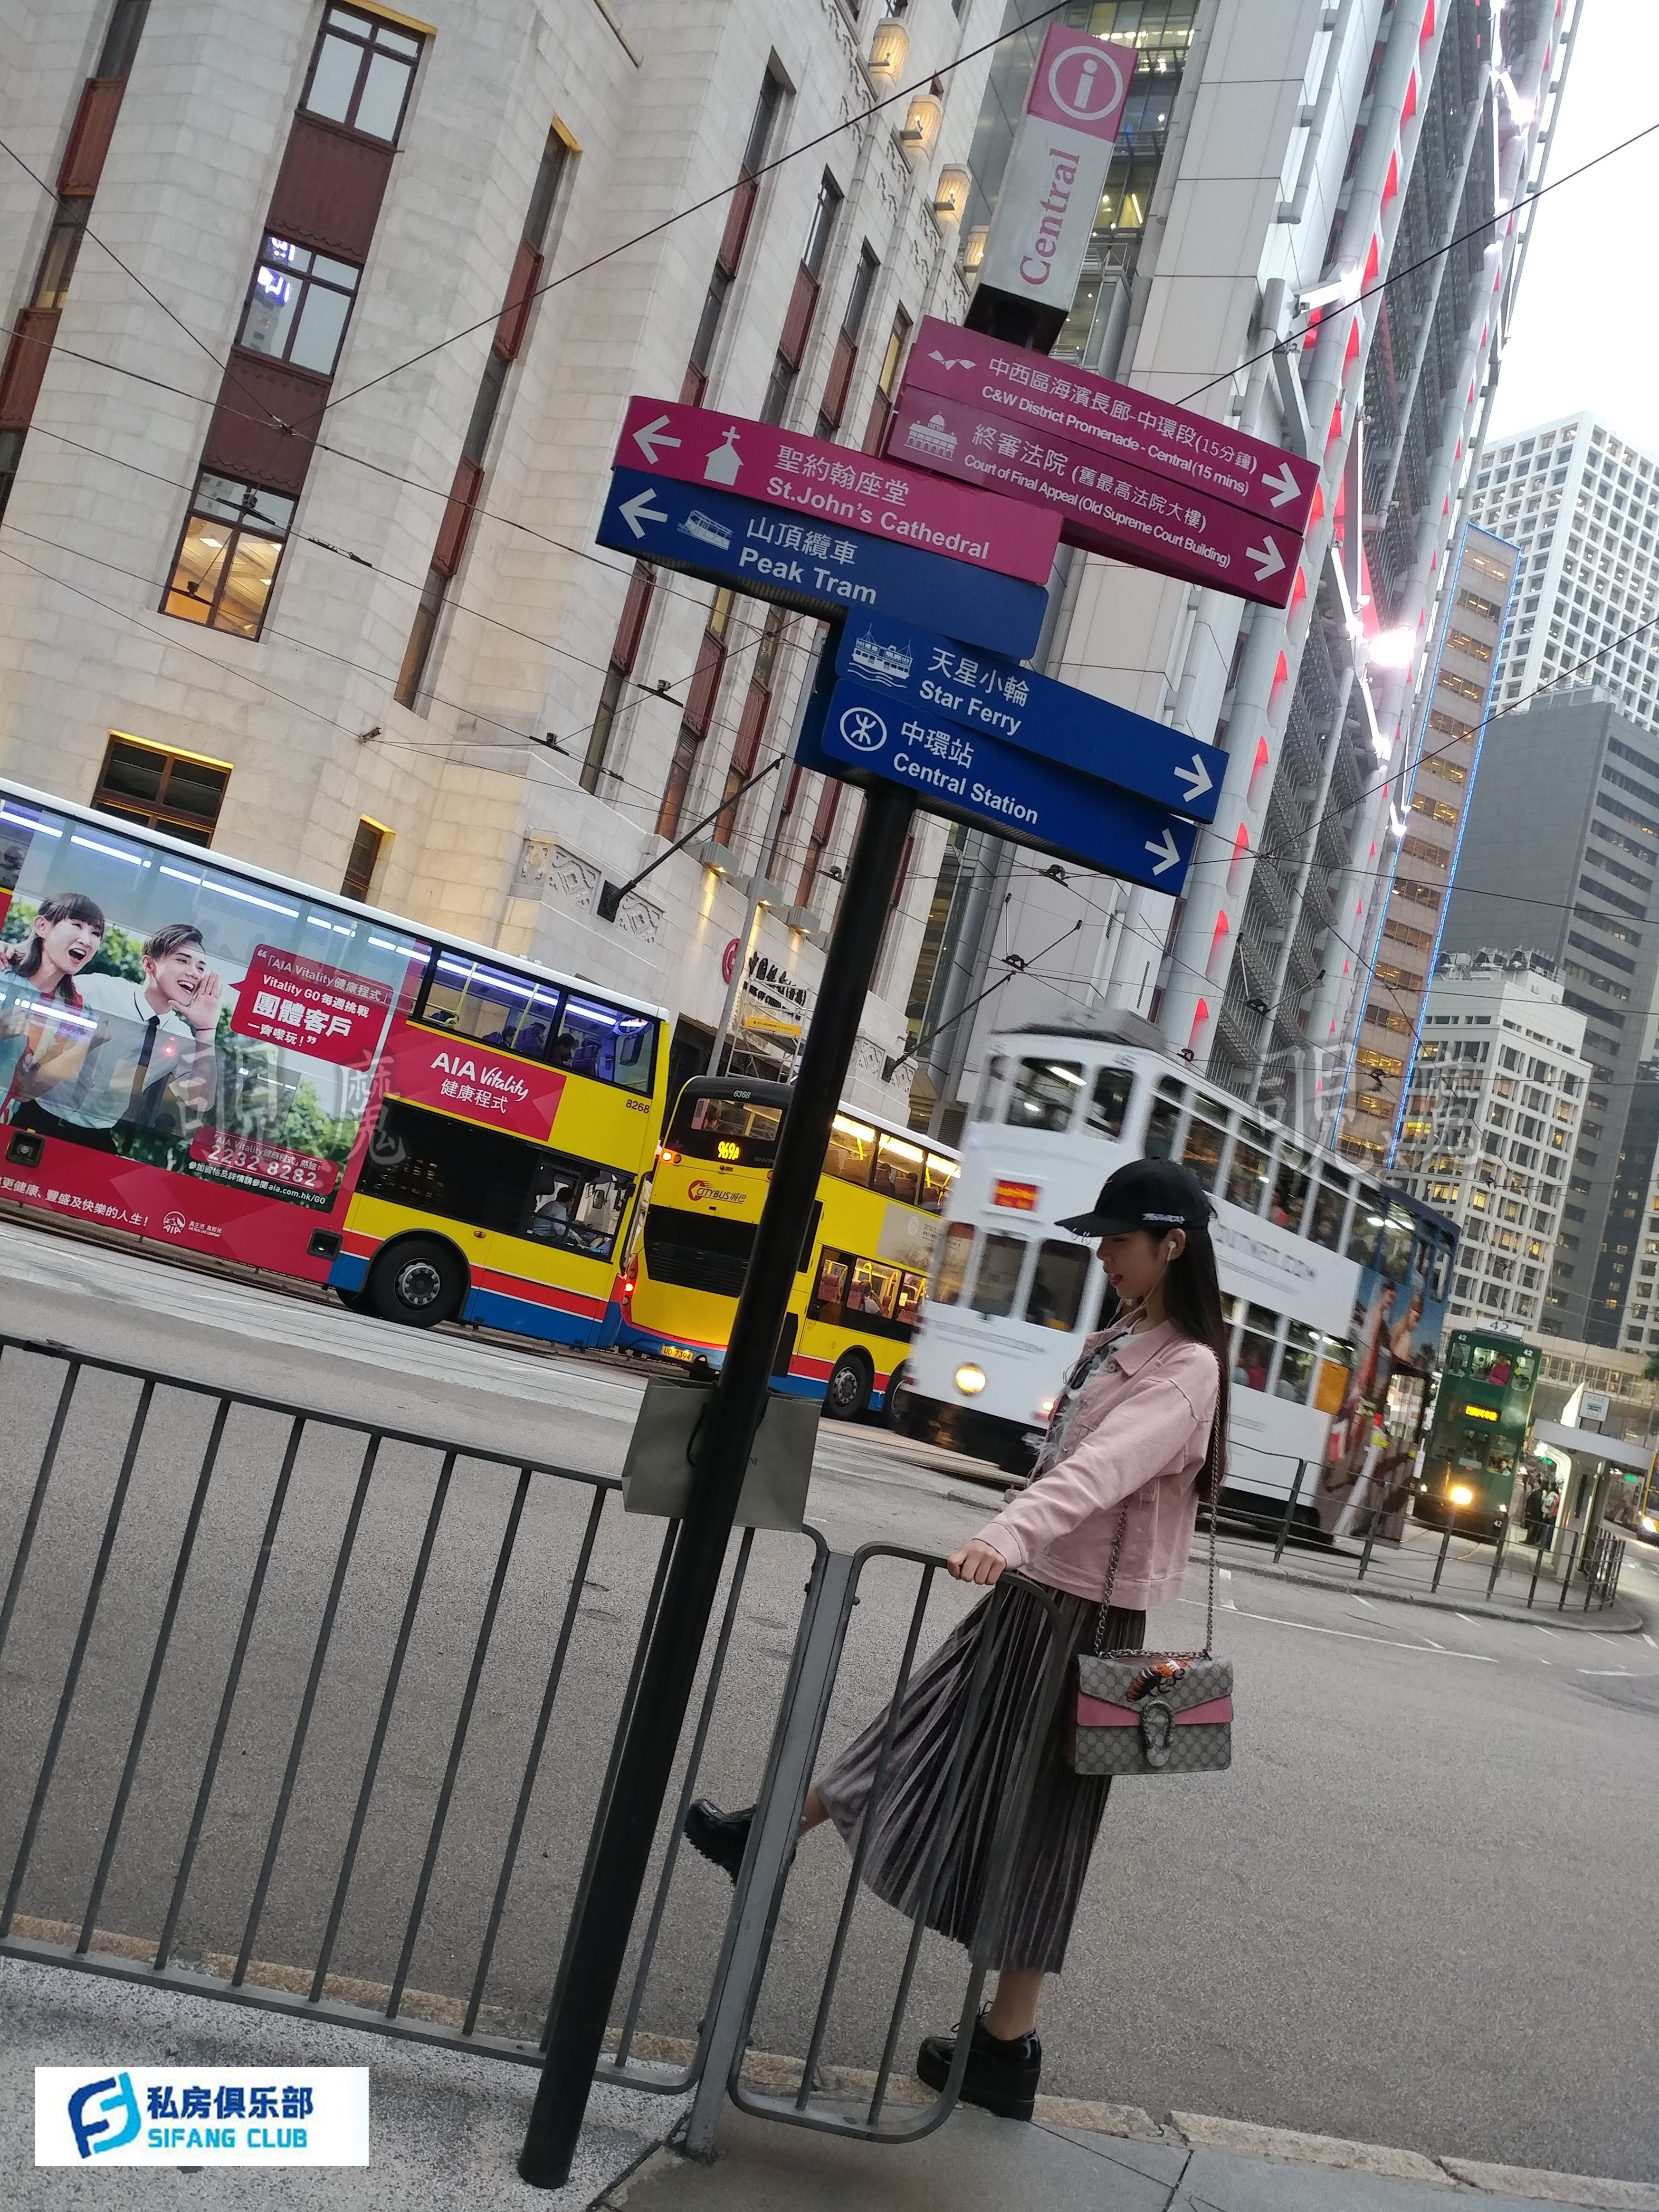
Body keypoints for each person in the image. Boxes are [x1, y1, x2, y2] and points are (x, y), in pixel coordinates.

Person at [682, 1158, 1226, 2123]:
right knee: (917, 1724)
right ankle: (765, 1833)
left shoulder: (1187, 1368)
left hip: (1088, 1622)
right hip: (1035, 1596)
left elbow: (1100, 1472)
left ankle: (1007, 2046)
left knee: (1046, 1823)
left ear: (1172, 1246)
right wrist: (1016, 1537)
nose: (1103, 1255)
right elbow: (1066, 1458)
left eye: (1119, 1240)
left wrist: (1004, 1534)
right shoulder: (1121, 1339)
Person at [12, 921, 221, 1152]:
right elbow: (38, 992)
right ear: (149, 965)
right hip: (38, 1117)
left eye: (201, 967)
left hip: (96, 1139)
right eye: (183, 960)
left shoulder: (181, 1035)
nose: (194, 973)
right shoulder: (98, 990)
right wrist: (10, 955)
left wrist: (206, 1030)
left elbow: (199, 1100)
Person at [0, 893, 107, 1106]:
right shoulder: (4, 973)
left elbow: (25, 1092)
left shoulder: (78, 1012)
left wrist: (88, 1045)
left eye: (96, 933)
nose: (86, 941)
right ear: (42, 926)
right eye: (77, 925)